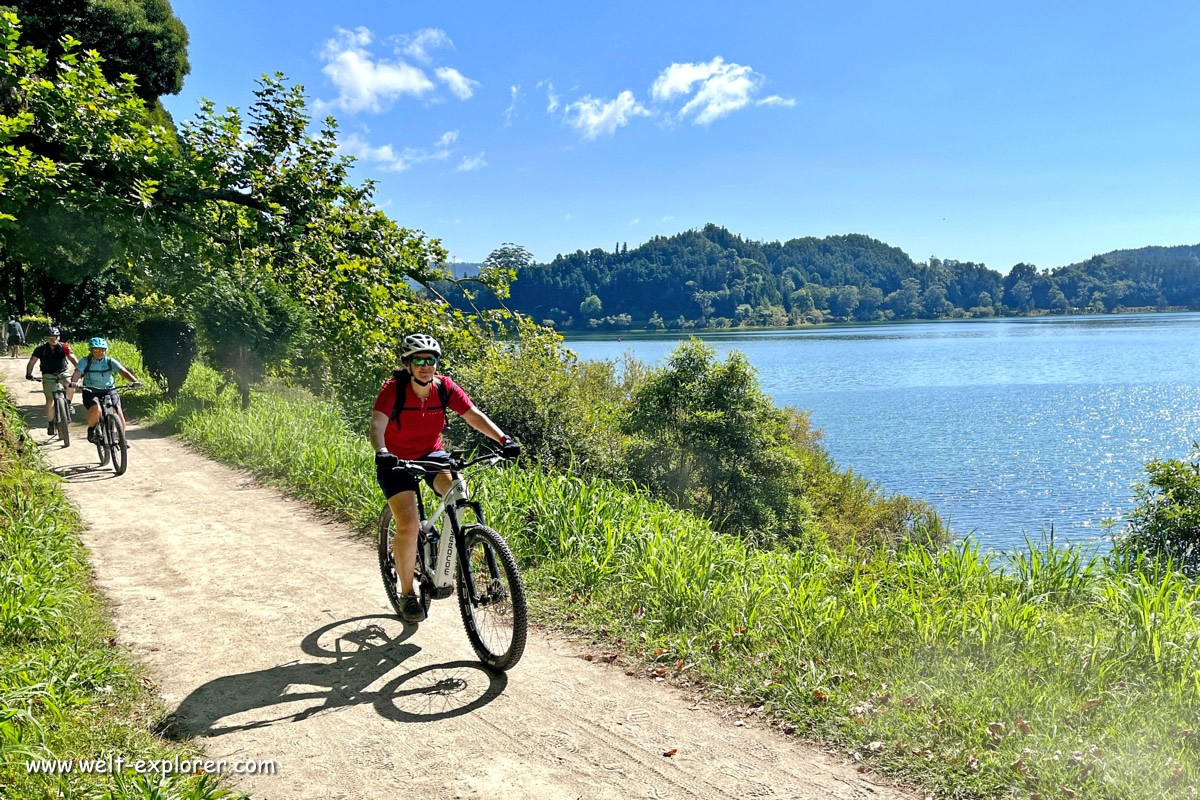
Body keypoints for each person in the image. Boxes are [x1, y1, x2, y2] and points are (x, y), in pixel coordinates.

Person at [369, 333, 520, 624]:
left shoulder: (444, 387)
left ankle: (446, 567)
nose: (426, 365)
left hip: (431, 455)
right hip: (395, 460)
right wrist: (381, 450)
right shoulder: (394, 389)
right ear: (408, 364)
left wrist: (504, 439)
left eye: (431, 360)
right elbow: (377, 423)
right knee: (409, 524)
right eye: (419, 360)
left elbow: (472, 414)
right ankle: (407, 593)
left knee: (459, 494)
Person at [68, 337, 141, 444]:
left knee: (118, 411)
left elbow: (123, 372)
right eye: (96, 350)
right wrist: (74, 382)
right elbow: (78, 372)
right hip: (91, 390)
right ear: (91, 351)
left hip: (109, 389)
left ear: (106, 350)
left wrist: (135, 381)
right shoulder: (85, 361)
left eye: (102, 350)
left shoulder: (110, 361)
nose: (99, 353)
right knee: (96, 409)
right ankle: (91, 429)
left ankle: (122, 438)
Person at [25, 327, 78, 437]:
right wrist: (29, 374)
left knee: (70, 384)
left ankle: (68, 404)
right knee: (50, 400)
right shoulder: (40, 349)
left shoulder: (64, 347)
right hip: (48, 374)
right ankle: (50, 424)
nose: (53, 340)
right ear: (46, 338)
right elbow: (32, 362)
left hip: (62, 371)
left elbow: (72, 358)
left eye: (55, 337)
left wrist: (79, 369)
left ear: (59, 337)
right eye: (50, 338)